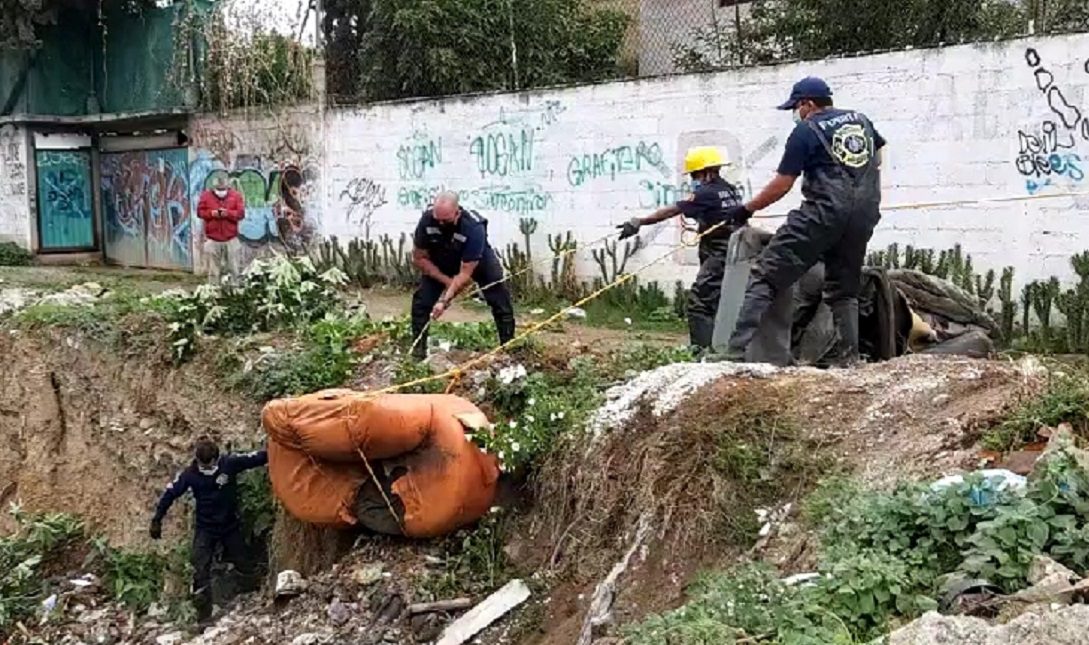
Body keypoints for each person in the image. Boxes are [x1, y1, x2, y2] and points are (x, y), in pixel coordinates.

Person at [722, 77, 885, 365]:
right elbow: (878, 158)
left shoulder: (805, 131)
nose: (795, 114)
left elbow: (783, 184)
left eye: (796, 107)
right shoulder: (862, 121)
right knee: (844, 290)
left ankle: (732, 353)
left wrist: (746, 209)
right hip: (864, 216)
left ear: (807, 104)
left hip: (821, 214)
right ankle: (849, 360)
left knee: (765, 275)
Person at [617, 146, 745, 351]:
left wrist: (640, 221)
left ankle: (702, 353)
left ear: (705, 171)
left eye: (694, 174)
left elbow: (673, 210)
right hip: (733, 251)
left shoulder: (706, 192)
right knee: (718, 303)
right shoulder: (730, 189)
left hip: (719, 254)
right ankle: (720, 347)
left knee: (699, 303)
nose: (693, 178)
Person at [149, 437, 268, 624]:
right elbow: (169, 494)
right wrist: (157, 520)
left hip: (230, 525)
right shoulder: (190, 474)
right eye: (202, 466)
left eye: (209, 466)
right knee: (200, 570)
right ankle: (204, 618)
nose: (205, 469)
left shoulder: (229, 464)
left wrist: (279, 450)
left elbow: (257, 458)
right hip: (206, 528)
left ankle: (251, 600)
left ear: (216, 459)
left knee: (244, 562)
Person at [410, 191, 516, 359]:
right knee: (421, 302)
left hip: (477, 261)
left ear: (457, 212)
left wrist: (445, 301)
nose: (441, 223)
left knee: (500, 299)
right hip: (442, 259)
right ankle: (418, 352)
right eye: (438, 219)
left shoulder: (473, 227)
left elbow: (465, 273)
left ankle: (508, 348)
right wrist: (445, 281)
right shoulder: (427, 220)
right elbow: (419, 257)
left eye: (446, 220)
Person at [197, 175, 245, 284]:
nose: (221, 191)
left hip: (231, 238)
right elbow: (200, 212)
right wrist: (212, 213)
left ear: (228, 187)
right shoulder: (206, 196)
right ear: (213, 188)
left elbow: (241, 214)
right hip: (213, 238)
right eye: (218, 189)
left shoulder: (235, 196)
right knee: (213, 270)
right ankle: (213, 292)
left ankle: (236, 291)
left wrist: (227, 213)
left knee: (234, 268)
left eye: (223, 189)